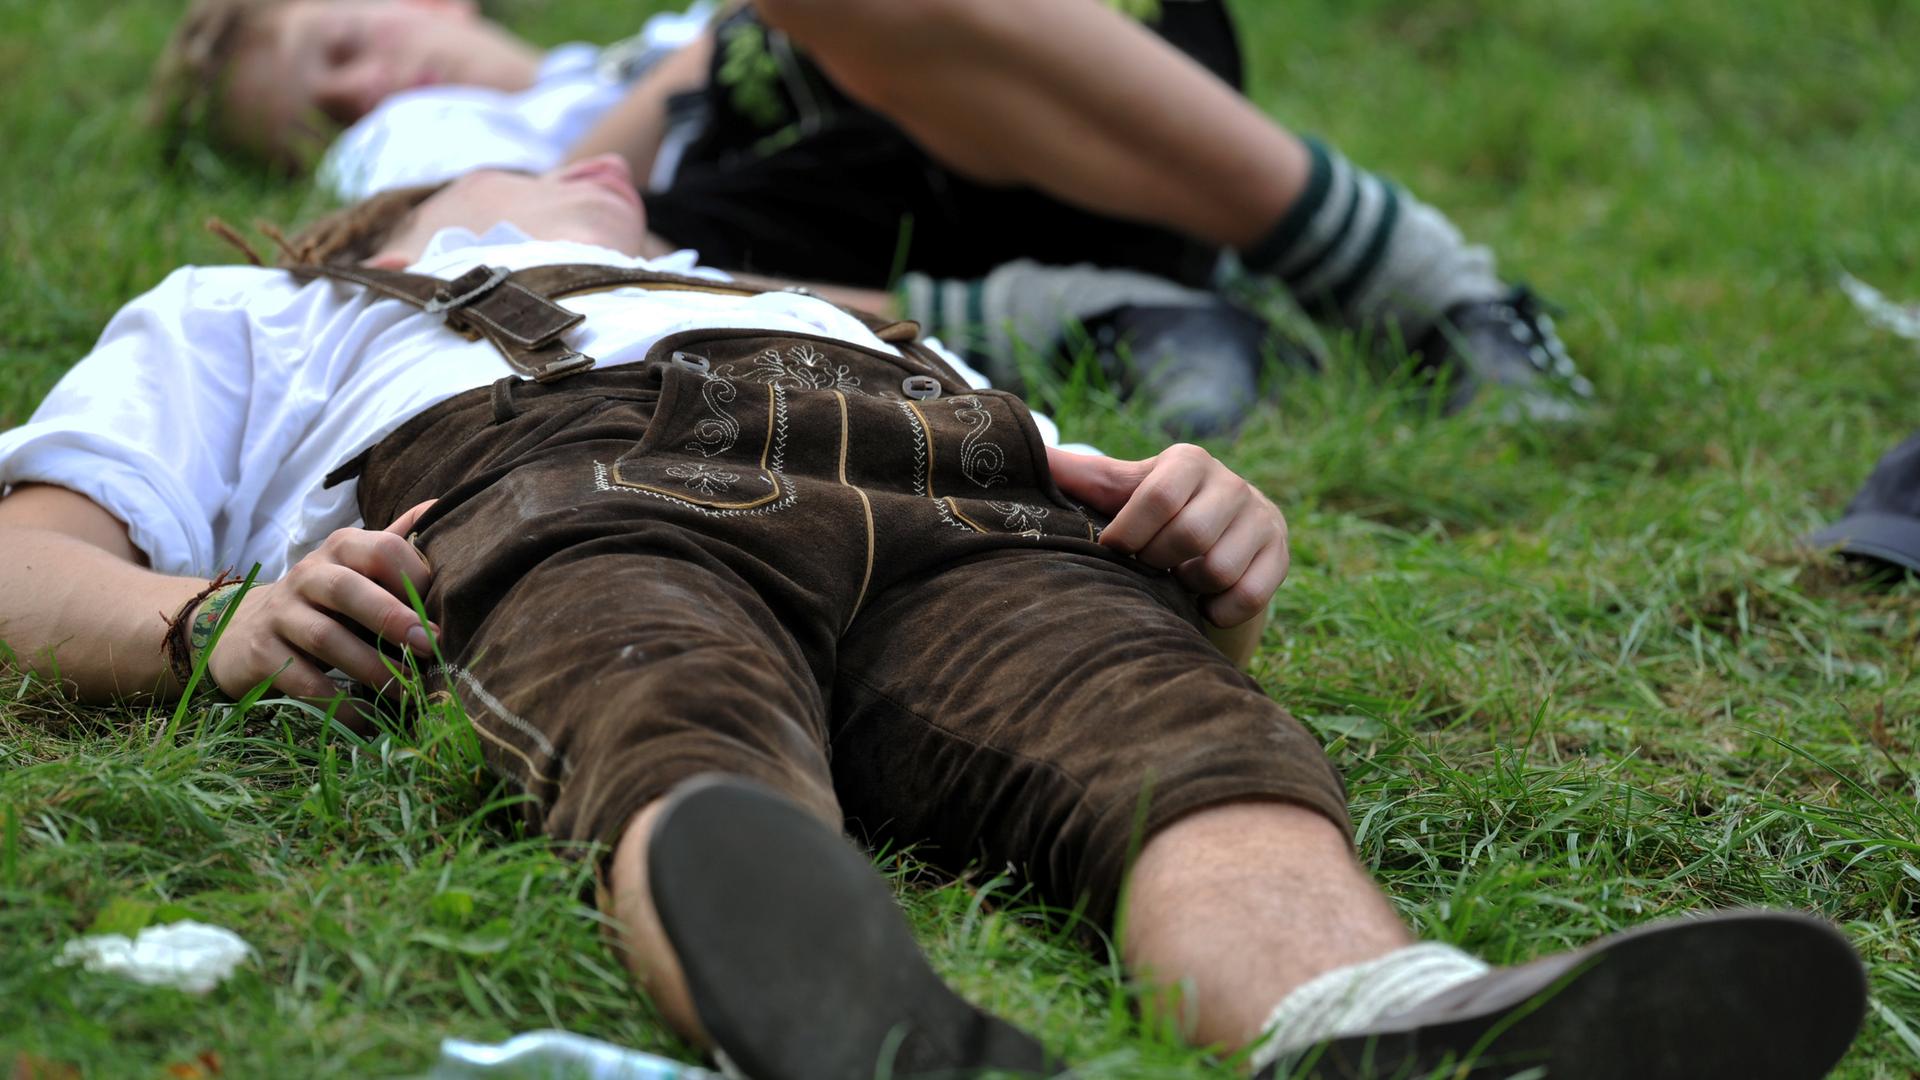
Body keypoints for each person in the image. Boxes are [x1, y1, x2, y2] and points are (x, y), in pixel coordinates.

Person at [0, 162, 1863, 1080]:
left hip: (969, 508)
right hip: (575, 493)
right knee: (662, 707)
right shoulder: (267, 318)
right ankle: (865, 1029)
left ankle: (1384, 1018)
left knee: (1164, 728)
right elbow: (31, 554)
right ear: (373, 230)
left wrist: (1194, 541)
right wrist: (208, 620)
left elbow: (1076, 498)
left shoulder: (848, 315)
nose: (615, 184)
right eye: (550, 169)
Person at [150, 0, 1589, 431]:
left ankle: (1424, 281)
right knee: (568, 282)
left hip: (1074, 93)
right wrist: (661, 96)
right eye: (325, 113)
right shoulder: (441, 144)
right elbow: (484, 261)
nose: (361, 93)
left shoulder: (643, 48)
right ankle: (1099, 317)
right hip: (814, 249)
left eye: (342, 44)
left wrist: (687, 61)